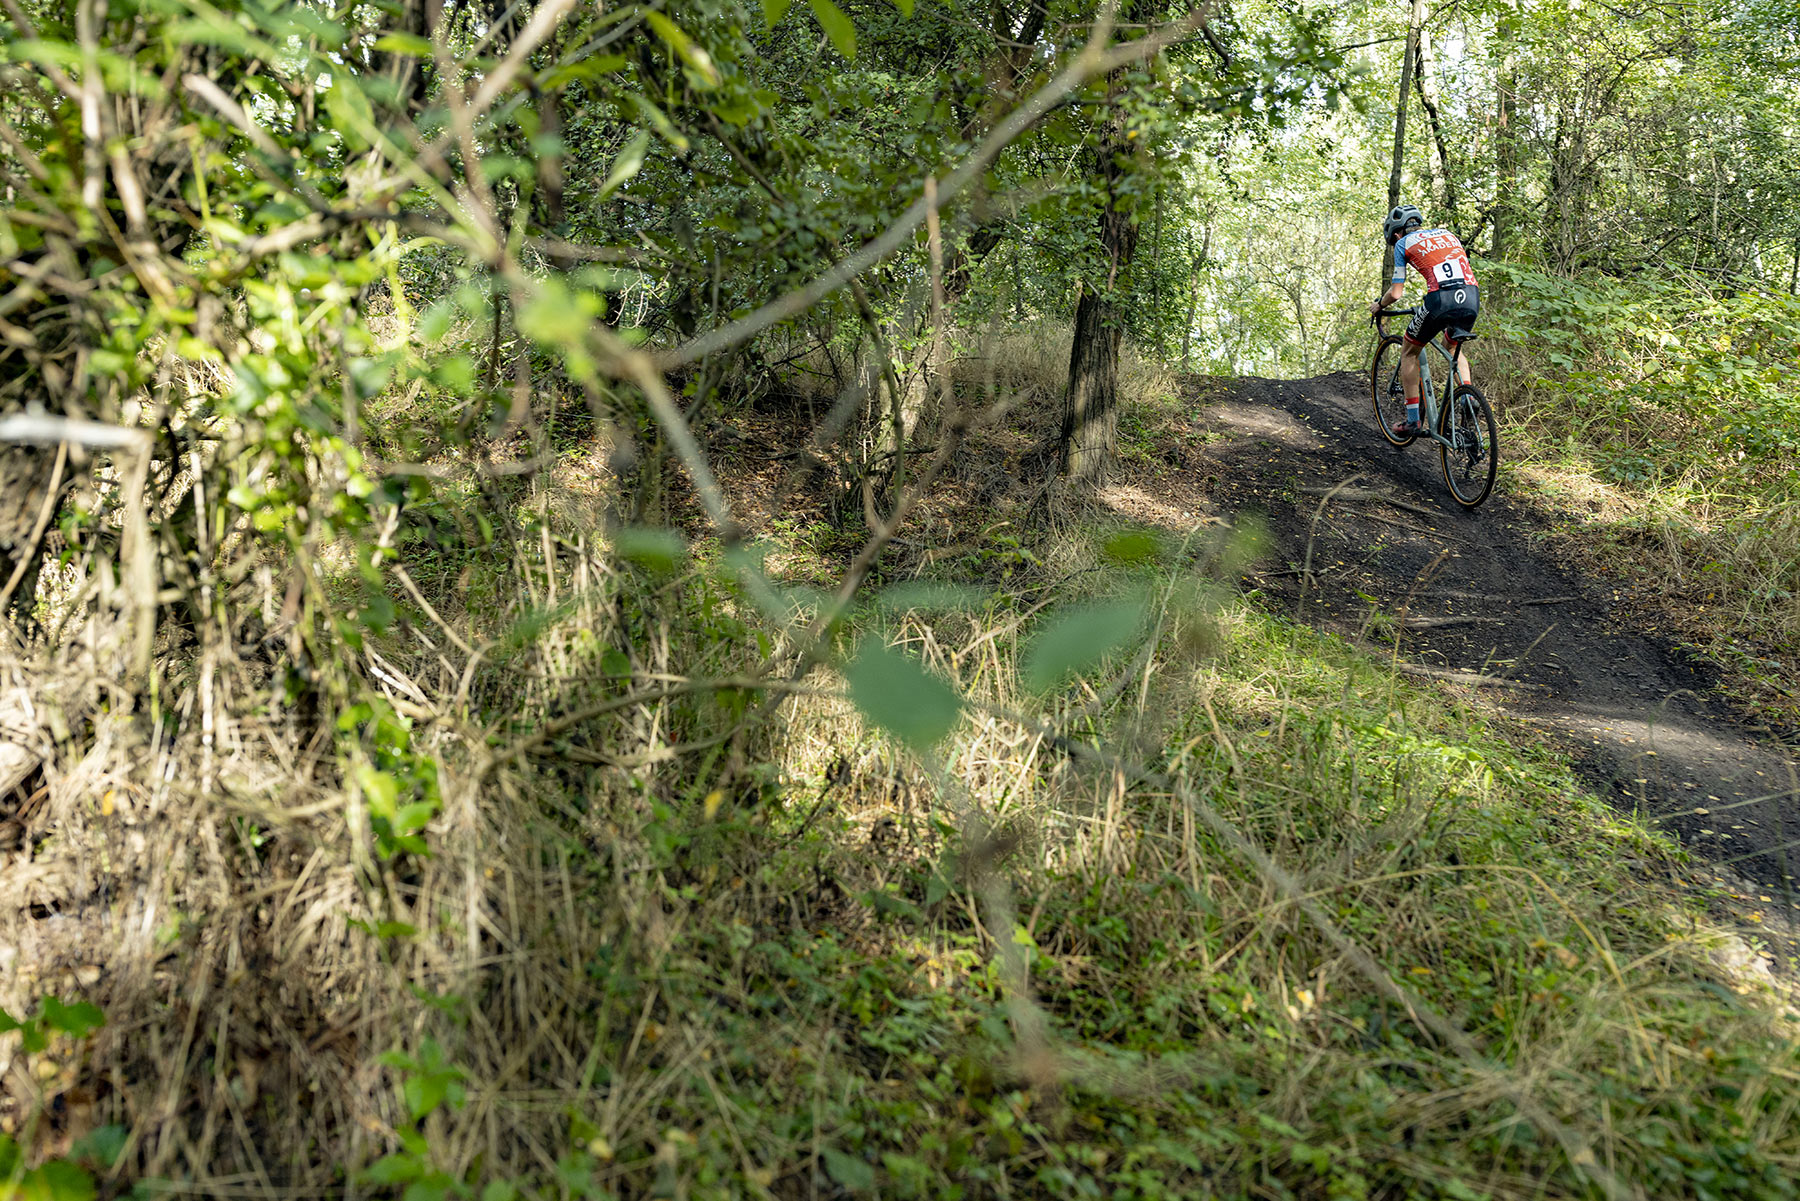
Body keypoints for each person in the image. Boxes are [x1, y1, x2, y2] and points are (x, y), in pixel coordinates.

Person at [1368, 203, 1478, 436]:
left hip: (1441, 299)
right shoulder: (1448, 234)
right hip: (1471, 296)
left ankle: (1412, 421)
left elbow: (1396, 293)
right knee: (1453, 346)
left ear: (1396, 233)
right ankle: (1468, 396)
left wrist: (1380, 305)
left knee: (1409, 351)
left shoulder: (1402, 243)